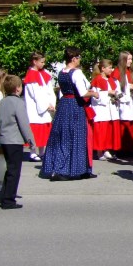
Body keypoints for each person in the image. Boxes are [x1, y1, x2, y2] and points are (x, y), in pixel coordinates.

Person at [41, 47, 98, 181]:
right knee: (76, 136)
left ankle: (79, 168)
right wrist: (94, 93)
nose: (80, 60)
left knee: (62, 135)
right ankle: (67, 169)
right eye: (78, 58)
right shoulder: (76, 73)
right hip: (75, 106)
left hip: (64, 105)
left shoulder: (62, 72)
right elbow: (83, 92)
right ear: (73, 59)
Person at [0, 75, 35, 210]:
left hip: (4, 139)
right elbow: (24, 124)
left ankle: (3, 196)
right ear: (18, 88)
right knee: (15, 171)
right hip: (14, 140)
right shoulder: (18, 103)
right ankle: (8, 200)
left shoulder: (3, 102)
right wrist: (31, 141)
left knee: (10, 169)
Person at [23, 52, 56, 162]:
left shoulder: (43, 74)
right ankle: (33, 153)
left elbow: (49, 91)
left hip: (46, 106)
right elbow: (36, 94)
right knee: (35, 131)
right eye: (41, 62)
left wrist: (51, 103)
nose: (43, 64)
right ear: (34, 61)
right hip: (36, 109)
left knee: (43, 131)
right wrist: (45, 105)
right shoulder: (31, 75)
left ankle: (42, 152)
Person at [90, 59, 121, 160]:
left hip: (110, 109)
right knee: (101, 131)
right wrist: (108, 93)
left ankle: (107, 150)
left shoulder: (111, 80)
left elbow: (116, 90)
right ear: (103, 69)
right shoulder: (97, 80)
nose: (111, 70)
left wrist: (117, 96)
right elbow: (96, 96)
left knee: (108, 131)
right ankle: (99, 152)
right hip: (101, 110)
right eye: (109, 68)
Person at [111, 51, 133, 156]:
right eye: (128, 59)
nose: (131, 62)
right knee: (123, 126)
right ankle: (121, 149)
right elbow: (116, 88)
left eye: (131, 59)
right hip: (123, 104)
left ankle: (130, 148)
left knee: (131, 125)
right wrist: (128, 88)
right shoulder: (117, 72)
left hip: (131, 102)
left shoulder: (132, 72)